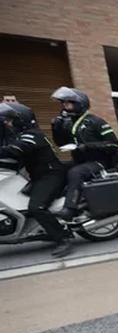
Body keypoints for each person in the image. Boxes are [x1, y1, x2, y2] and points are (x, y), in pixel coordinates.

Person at [0, 103, 72, 257]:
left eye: (10, 120)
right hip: (38, 176)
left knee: (36, 207)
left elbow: (14, 150)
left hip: (52, 175)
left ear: (21, 120)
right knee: (22, 203)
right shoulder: (20, 135)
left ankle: (62, 238)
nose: (7, 123)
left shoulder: (33, 135)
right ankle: (41, 229)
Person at [50, 86, 118, 220]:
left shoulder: (96, 122)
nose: (65, 107)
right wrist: (56, 128)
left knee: (76, 172)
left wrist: (86, 146)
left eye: (68, 104)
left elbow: (113, 144)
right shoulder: (69, 123)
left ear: (79, 104)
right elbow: (61, 143)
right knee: (57, 169)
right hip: (80, 161)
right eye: (63, 104)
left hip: (100, 162)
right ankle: (54, 202)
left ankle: (70, 209)